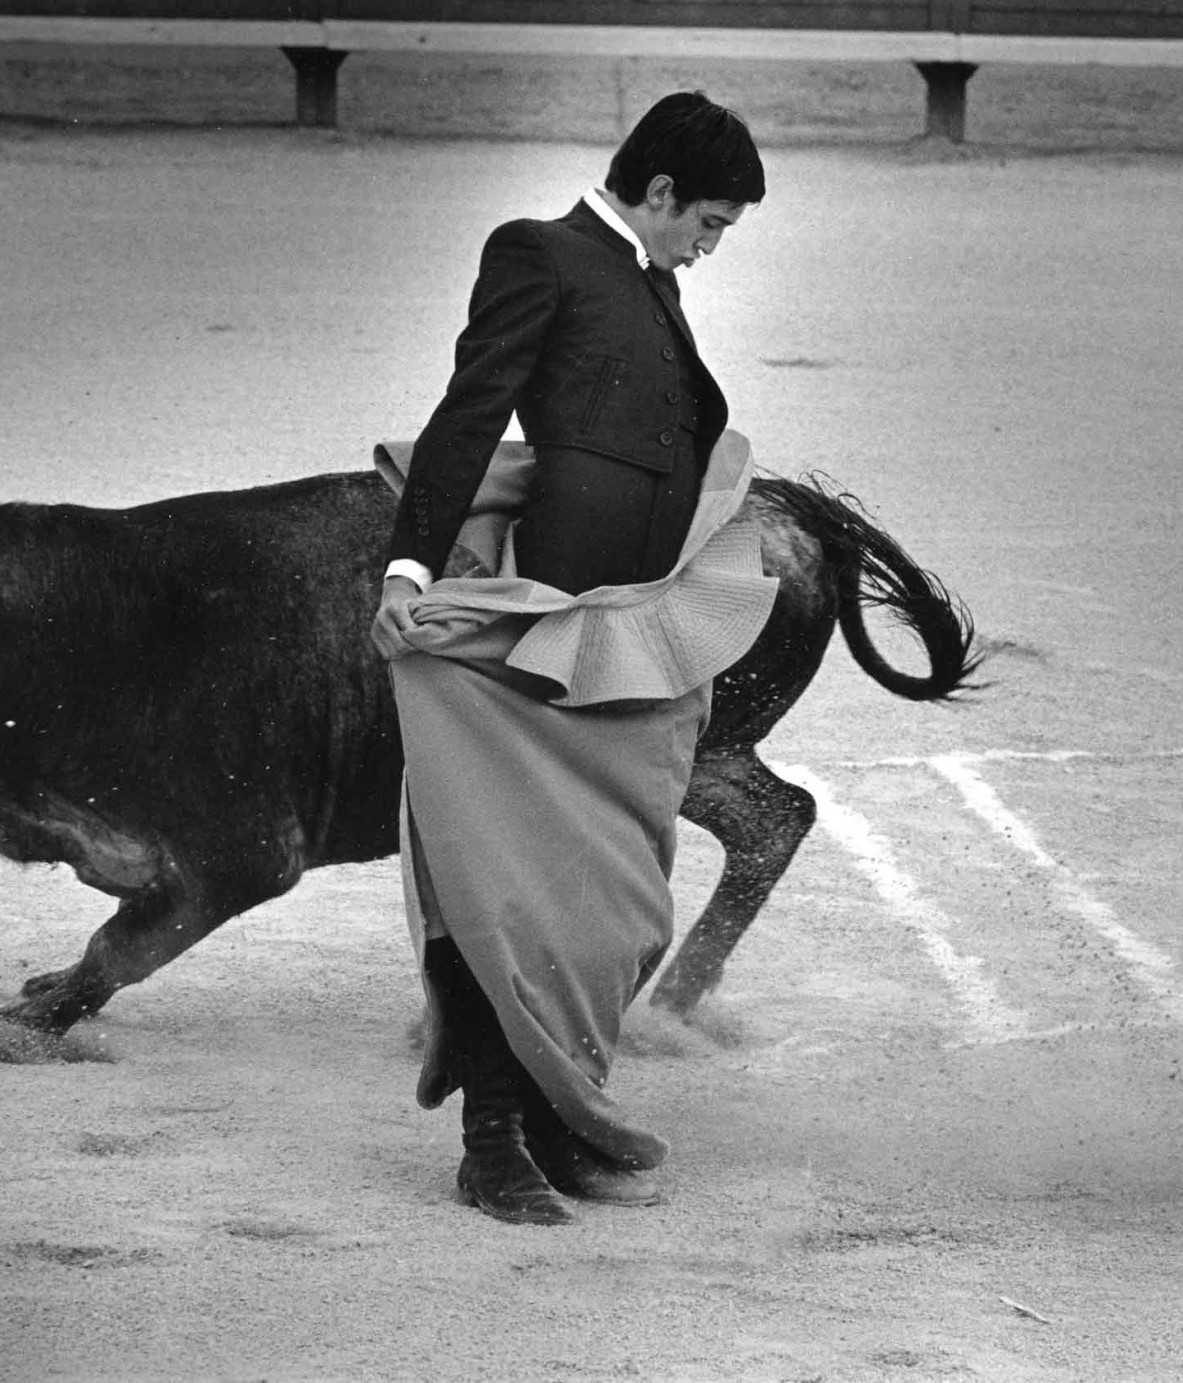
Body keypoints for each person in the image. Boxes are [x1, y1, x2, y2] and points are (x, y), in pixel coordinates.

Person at [368, 92, 771, 1226]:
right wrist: (407, 573)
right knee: (510, 896)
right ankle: (492, 1141)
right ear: (655, 194)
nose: (708, 243)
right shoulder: (539, 252)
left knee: (617, 902)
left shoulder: (653, 286)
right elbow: (468, 412)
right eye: (709, 221)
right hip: (533, 644)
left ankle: (555, 1115)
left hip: (623, 644)